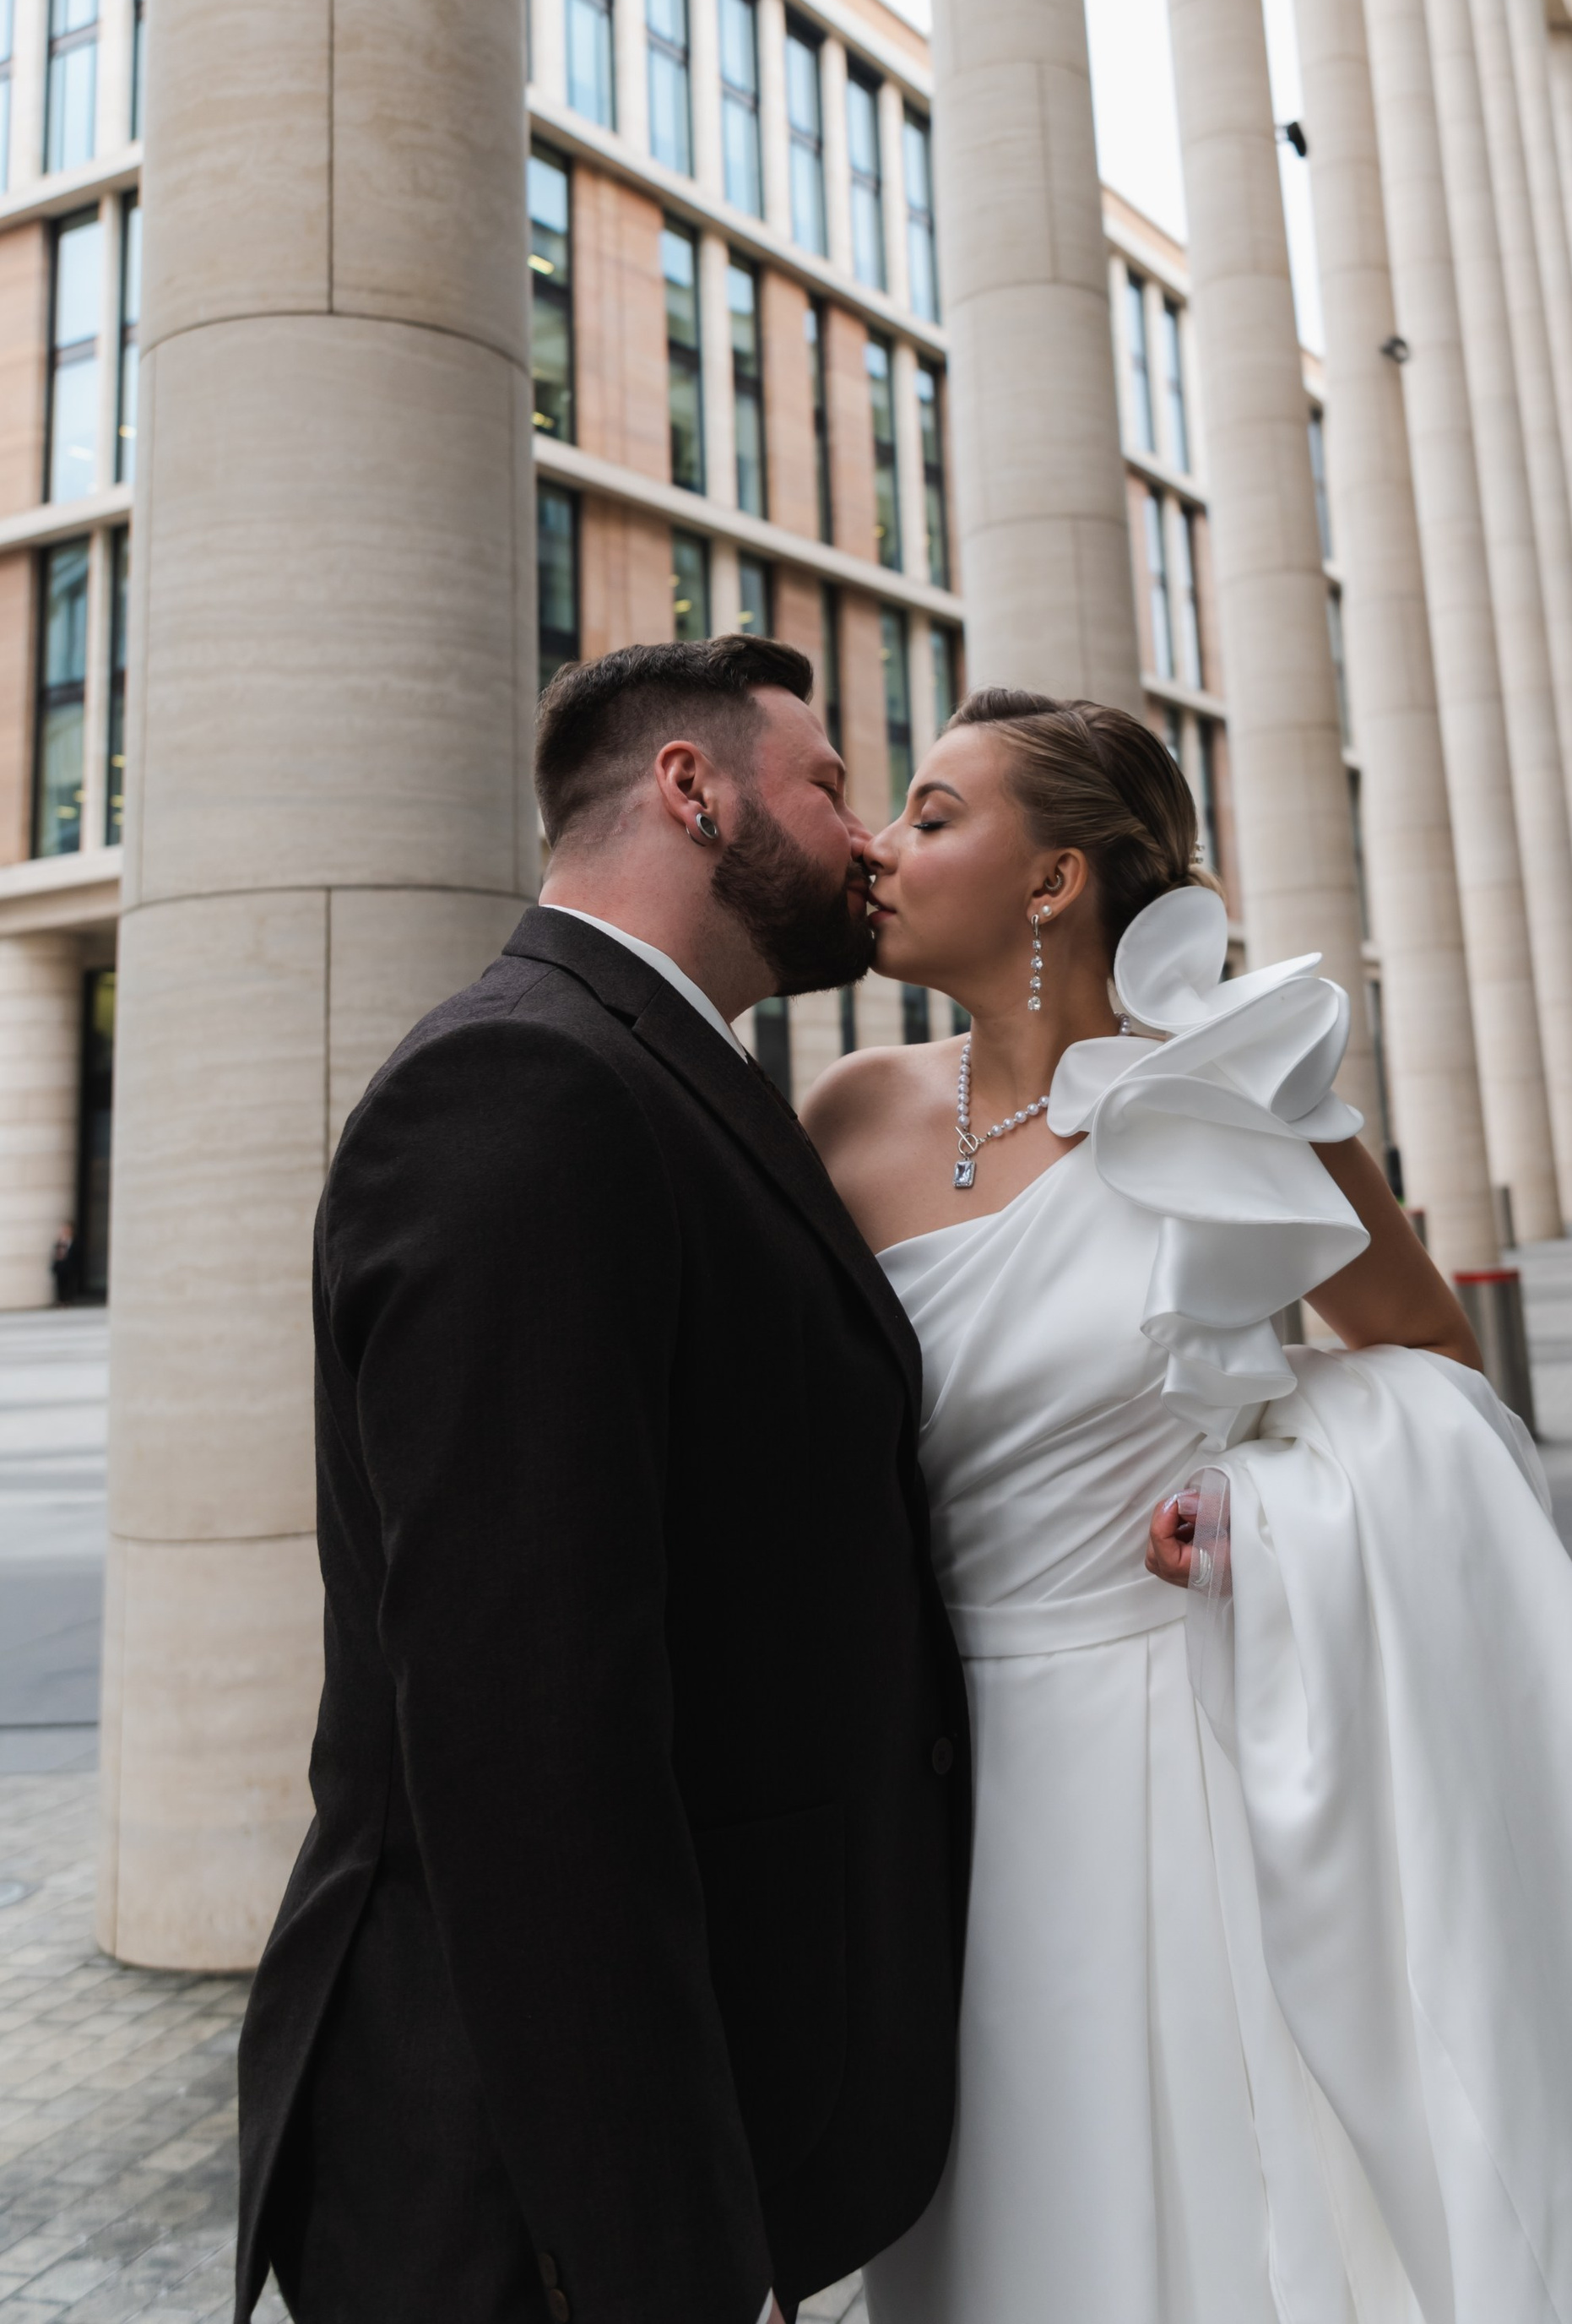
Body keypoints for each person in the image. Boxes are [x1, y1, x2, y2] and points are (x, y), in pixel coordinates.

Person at [806, 687, 1572, 2324]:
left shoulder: (1231, 1098)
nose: (880, 844)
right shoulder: (848, 1119)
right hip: (930, 1778)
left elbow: (1429, 1356)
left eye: (932, 813)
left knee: (1204, 2197)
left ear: (1055, 878)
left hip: (1164, 1751)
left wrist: (1255, 1507)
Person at [236, 636, 969, 2324]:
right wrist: (649, 2252)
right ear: (691, 788)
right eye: (830, 785)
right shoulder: (525, 1085)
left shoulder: (662, 1070)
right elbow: (522, 1730)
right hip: (519, 2174)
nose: (864, 842)